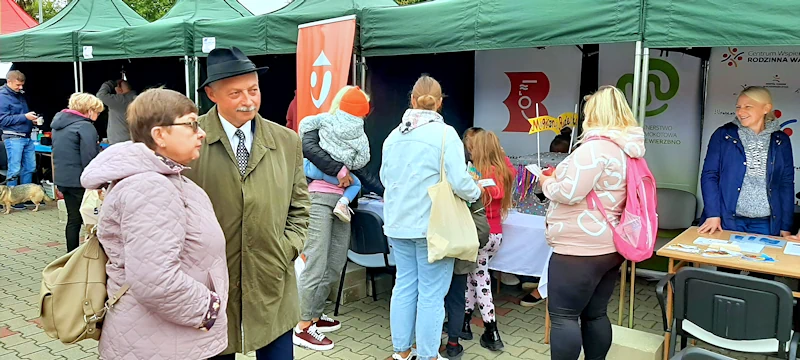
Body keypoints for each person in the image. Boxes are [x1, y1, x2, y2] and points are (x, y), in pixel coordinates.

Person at [79, 88, 229, 359]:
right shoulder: (150, 186)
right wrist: (209, 308)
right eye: (191, 123)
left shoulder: (165, 178)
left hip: (165, 338)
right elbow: (155, 279)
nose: (201, 132)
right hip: (161, 343)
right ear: (160, 135)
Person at [184, 47, 311, 360]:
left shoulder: (286, 141)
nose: (248, 100)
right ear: (211, 94)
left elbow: (300, 207)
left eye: (253, 90)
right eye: (236, 93)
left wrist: (287, 248)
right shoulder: (188, 139)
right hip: (209, 285)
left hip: (271, 279)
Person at [538, 86, 645, 360]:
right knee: (596, 314)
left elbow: (569, 193)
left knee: (563, 318)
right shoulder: (627, 149)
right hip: (611, 244)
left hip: (579, 247)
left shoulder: (594, 148)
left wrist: (547, 182)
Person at [381, 75, 482, 360]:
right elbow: (460, 181)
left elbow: (384, 178)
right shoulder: (446, 133)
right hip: (433, 225)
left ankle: (401, 352)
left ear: (412, 100)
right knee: (430, 295)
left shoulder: (393, 136)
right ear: (439, 103)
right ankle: (427, 355)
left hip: (398, 223)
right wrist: (476, 191)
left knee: (403, 287)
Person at [291, 86, 371, 351]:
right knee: (316, 261)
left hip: (341, 202)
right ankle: (302, 326)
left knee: (335, 261)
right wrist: (339, 169)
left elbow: (362, 166)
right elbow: (308, 146)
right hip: (317, 198)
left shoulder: (357, 134)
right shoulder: (318, 124)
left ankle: (314, 313)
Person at [699, 86, 793, 238]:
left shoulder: (781, 140)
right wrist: (713, 214)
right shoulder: (724, 135)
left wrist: (785, 225)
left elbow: (786, 183)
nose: (740, 112)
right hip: (727, 219)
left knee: (762, 261)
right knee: (724, 260)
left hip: (766, 223)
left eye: (747, 107)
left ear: (766, 108)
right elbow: (709, 175)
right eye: (738, 107)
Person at [460, 127, 516, 351]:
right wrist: (501, 153)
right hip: (496, 234)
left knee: (480, 281)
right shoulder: (503, 171)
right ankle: (464, 323)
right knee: (474, 278)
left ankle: (491, 329)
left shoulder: (478, 173)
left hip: (480, 234)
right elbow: (510, 168)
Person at [443, 142, 492, 359]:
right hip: (461, 254)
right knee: (456, 299)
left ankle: (430, 343)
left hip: (435, 252)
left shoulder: (433, 186)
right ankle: (453, 344)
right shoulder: (472, 191)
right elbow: (482, 231)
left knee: (430, 298)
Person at [297, 86, 370, 223]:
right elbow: (363, 159)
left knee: (299, 164)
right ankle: (343, 204)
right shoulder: (361, 135)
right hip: (334, 183)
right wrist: (347, 166)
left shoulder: (324, 120)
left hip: (313, 170)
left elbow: (304, 125)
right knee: (356, 184)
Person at [51, 93, 104, 252]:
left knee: (73, 220)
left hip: (64, 180)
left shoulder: (58, 126)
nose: (98, 115)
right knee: (95, 219)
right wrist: (99, 182)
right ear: (89, 110)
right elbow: (89, 157)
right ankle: (95, 255)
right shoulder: (85, 126)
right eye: (97, 111)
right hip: (81, 181)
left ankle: (71, 256)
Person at [0, 70, 37, 197]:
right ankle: (12, 198)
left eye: (22, 85)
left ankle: (25, 196)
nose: (20, 88)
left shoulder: (20, 95)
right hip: (13, 137)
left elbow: (21, 116)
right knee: (15, 169)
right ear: (8, 81)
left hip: (26, 136)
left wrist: (33, 121)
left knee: (30, 168)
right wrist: (25, 117)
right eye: (17, 85)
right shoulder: (2, 96)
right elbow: (3, 120)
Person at [96, 79, 137, 144]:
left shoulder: (120, 100)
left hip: (119, 142)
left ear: (119, 89)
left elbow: (101, 95)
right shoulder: (136, 99)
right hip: (131, 139)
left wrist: (111, 83)